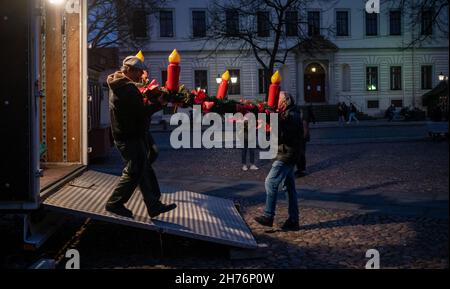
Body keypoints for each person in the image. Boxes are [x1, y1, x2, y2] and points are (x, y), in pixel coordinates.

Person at [105, 54, 176, 219]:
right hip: (128, 135)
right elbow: (141, 113)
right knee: (135, 170)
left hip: (130, 133)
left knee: (141, 167)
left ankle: (153, 205)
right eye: (138, 71)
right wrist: (159, 103)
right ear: (128, 70)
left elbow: (135, 108)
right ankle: (114, 203)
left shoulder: (122, 84)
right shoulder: (126, 88)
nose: (141, 75)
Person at [254, 91, 302, 231]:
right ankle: (294, 220)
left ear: (285, 101)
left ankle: (268, 216)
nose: (276, 103)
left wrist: (273, 119)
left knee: (271, 182)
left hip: (286, 154)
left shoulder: (292, 115)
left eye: (278, 100)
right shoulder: (288, 114)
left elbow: (282, 135)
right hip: (286, 153)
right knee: (289, 188)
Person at [295, 105, 312, 178]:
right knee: (299, 155)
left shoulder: (303, 120)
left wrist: (302, 139)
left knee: (301, 154)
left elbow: (305, 131)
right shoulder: (300, 120)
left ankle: (301, 170)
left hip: (301, 140)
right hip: (299, 139)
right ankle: (300, 169)